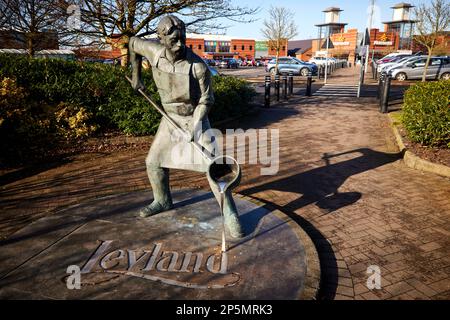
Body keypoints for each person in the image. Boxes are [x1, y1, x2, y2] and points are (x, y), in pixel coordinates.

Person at [128, 15, 244, 238]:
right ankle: (162, 200)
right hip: (169, 118)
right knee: (153, 162)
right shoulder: (153, 51)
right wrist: (136, 76)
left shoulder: (198, 66)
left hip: (195, 118)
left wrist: (194, 126)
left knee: (216, 170)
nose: (180, 44)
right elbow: (132, 42)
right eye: (174, 40)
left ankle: (229, 213)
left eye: (183, 39)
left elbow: (207, 100)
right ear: (161, 38)